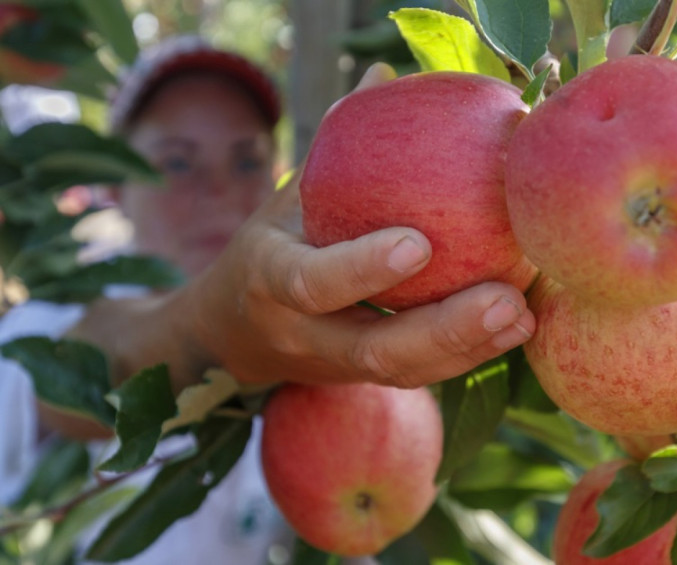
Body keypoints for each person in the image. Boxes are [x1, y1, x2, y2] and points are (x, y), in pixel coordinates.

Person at [0, 35, 535, 562]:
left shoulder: (332, 339)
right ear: (116, 183)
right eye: (179, 163)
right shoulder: (45, 328)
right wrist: (216, 331)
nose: (217, 189)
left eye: (247, 160)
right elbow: (72, 378)